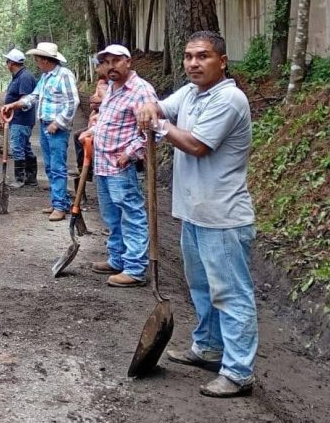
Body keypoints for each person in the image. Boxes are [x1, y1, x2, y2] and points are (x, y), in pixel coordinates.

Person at [136, 31, 257, 398]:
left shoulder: (229, 99)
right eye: (188, 56)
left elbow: (197, 145)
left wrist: (158, 126)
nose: (193, 63)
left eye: (202, 56)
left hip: (222, 216)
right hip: (194, 211)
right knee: (202, 289)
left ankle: (238, 372)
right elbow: (163, 107)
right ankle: (208, 348)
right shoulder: (191, 93)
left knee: (232, 295)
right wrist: (150, 107)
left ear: (222, 60)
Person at [84, 44, 157, 288]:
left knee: (131, 214)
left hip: (120, 165)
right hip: (102, 164)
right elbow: (107, 122)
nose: (111, 66)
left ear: (129, 61)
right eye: (106, 61)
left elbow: (152, 131)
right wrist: (91, 131)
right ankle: (117, 258)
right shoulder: (113, 89)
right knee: (111, 215)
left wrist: (130, 153)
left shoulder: (141, 91)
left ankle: (135, 268)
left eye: (116, 60)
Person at [0, 42, 78, 221]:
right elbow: (33, 97)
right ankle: (59, 201)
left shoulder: (64, 75)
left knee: (58, 166)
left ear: (45, 60)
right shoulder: (46, 77)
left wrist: (58, 123)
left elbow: (72, 102)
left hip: (56, 127)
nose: (35, 62)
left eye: (37, 59)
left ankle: (59, 206)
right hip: (45, 125)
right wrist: (14, 105)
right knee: (50, 166)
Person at [1, 49, 36, 188]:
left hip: (22, 120)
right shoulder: (18, 76)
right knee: (25, 147)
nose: (6, 64)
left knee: (17, 148)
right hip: (17, 119)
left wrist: (10, 107)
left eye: (7, 61)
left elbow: (24, 100)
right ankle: (31, 178)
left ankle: (19, 179)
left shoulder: (24, 77)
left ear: (12, 63)